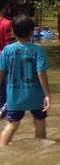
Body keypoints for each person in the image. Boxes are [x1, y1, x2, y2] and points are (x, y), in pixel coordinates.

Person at [0, 14, 52, 146]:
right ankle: (40, 148)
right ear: (32, 32)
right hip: (35, 95)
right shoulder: (38, 51)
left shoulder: (6, 50)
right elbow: (41, 73)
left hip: (14, 96)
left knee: (11, 124)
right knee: (39, 121)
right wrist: (47, 95)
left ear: (13, 32)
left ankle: (2, 148)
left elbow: (1, 73)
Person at [0, 0, 14, 118]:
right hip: (2, 62)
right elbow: (9, 47)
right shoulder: (6, 24)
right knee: (4, 94)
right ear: (5, 7)